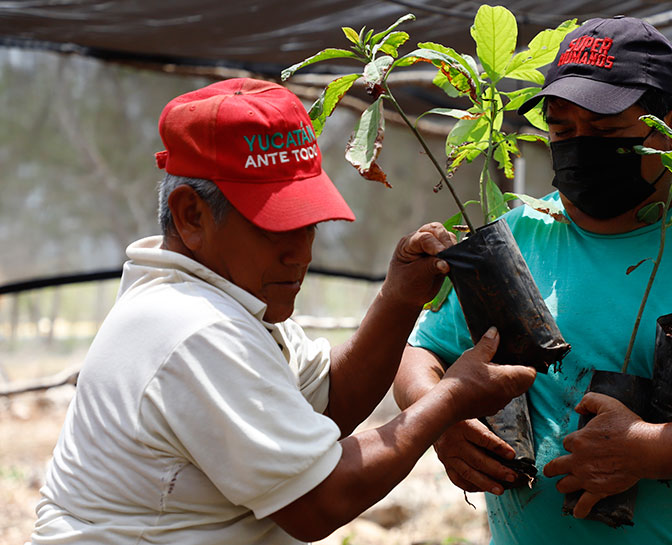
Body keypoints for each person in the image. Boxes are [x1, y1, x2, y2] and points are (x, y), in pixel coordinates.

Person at [393, 16, 672, 544]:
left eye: (607, 131)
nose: (582, 147)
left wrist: (652, 447)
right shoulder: (516, 242)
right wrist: (441, 420)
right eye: (563, 131)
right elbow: (419, 353)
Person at [30, 77, 537, 545]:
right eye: (274, 227)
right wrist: (447, 401)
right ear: (191, 215)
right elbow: (319, 502)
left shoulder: (225, 299)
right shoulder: (193, 328)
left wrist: (398, 301)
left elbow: (329, 401)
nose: (301, 253)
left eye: (309, 223)